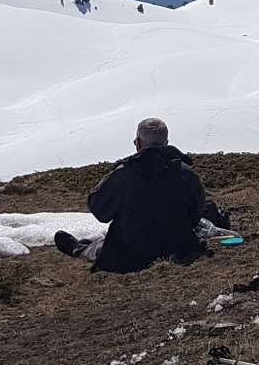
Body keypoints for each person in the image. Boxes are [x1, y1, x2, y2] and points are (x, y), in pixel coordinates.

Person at [83, 117, 212, 273]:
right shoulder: (186, 173)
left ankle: (79, 247)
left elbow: (100, 210)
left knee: (101, 248)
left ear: (138, 143)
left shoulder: (124, 174)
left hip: (131, 255)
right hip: (179, 248)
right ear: (166, 143)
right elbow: (196, 213)